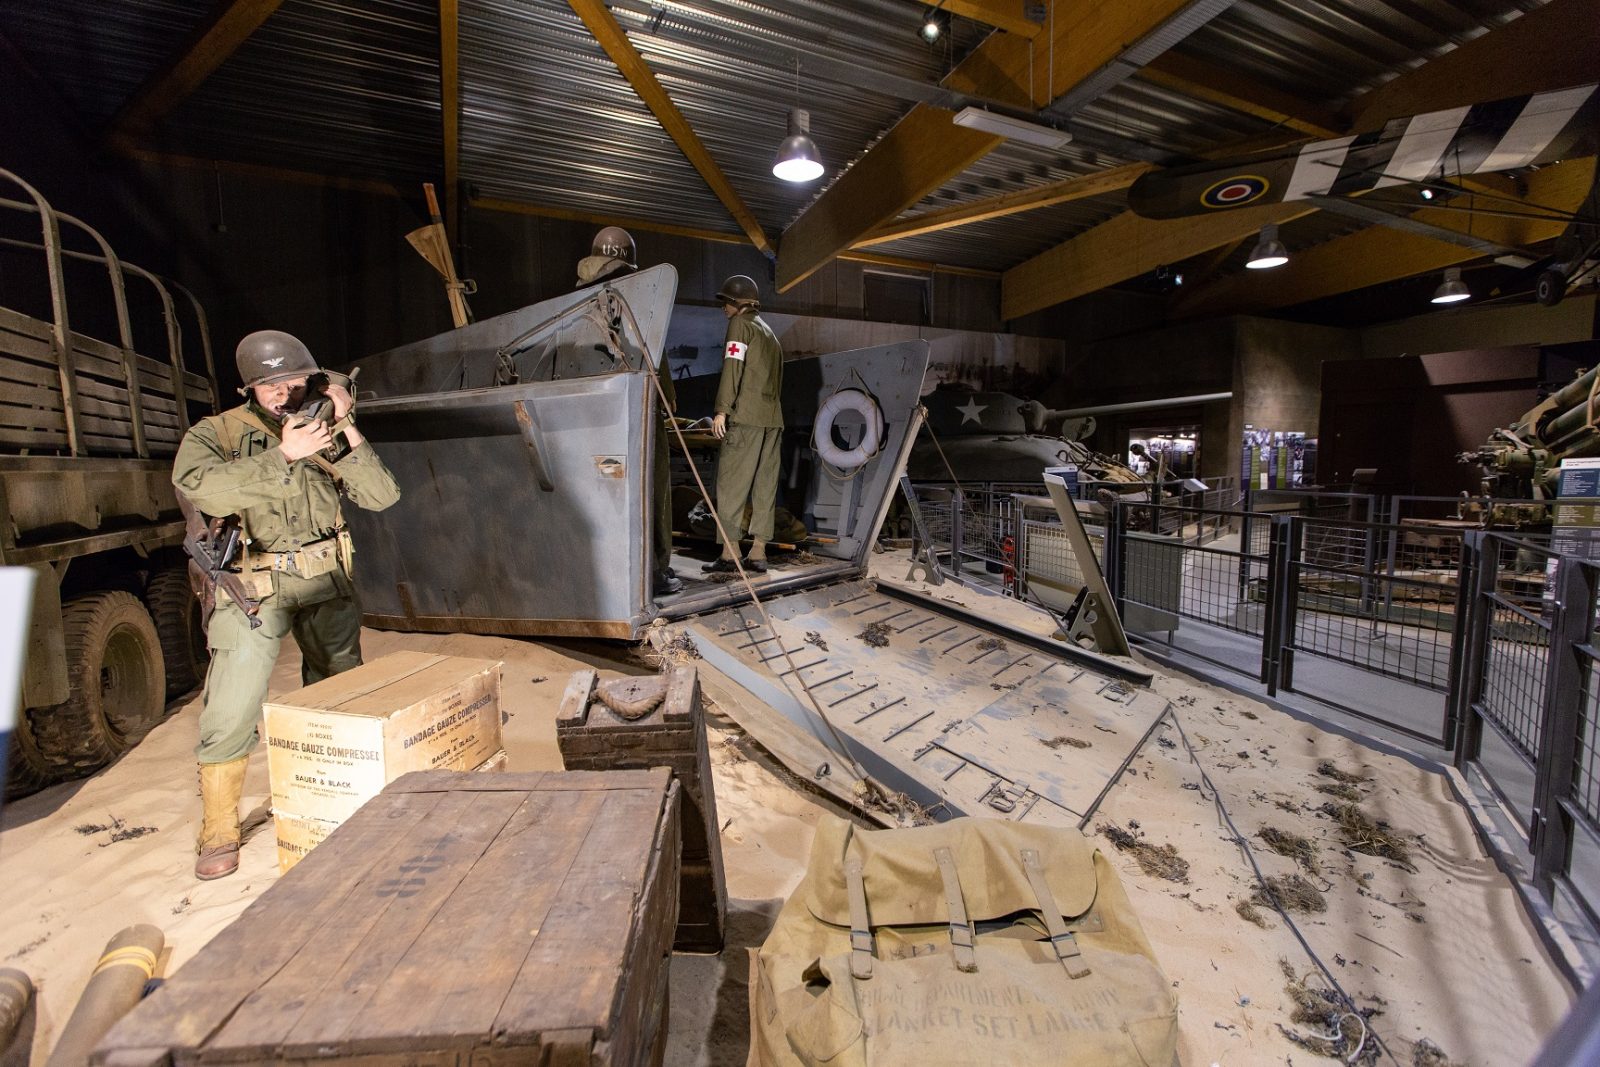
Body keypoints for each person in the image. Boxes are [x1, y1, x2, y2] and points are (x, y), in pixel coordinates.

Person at [172, 330, 400, 880]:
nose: (284, 394)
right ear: (249, 388)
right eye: (269, 385)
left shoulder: (326, 427)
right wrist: (283, 456)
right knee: (231, 708)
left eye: (293, 381)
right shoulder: (216, 434)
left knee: (338, 692)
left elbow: (381, 496)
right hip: (252, 588)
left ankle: (335, 800)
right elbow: (205, 491)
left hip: (326, 581)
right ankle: (219, 829)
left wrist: (345, 426)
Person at [576, 226, 681, 596]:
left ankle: (610, 568)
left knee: (608, 486)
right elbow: (659, 368)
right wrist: (668, 403)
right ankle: (654, 570)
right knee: (653, 487)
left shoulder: (577, 304)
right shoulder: (638, 304)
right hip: (642, 420)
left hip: (599, 422)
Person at [705, 274, 784, 575]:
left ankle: (729, 553)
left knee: (731, 484)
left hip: (746, 421)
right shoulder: (769, 333)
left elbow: (732, 368)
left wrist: (722, 411)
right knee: (765, 486)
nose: (723, 308)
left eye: (725, 302)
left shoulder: (740, 326)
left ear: (737, 303)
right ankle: (759, 552)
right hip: (772, 422)